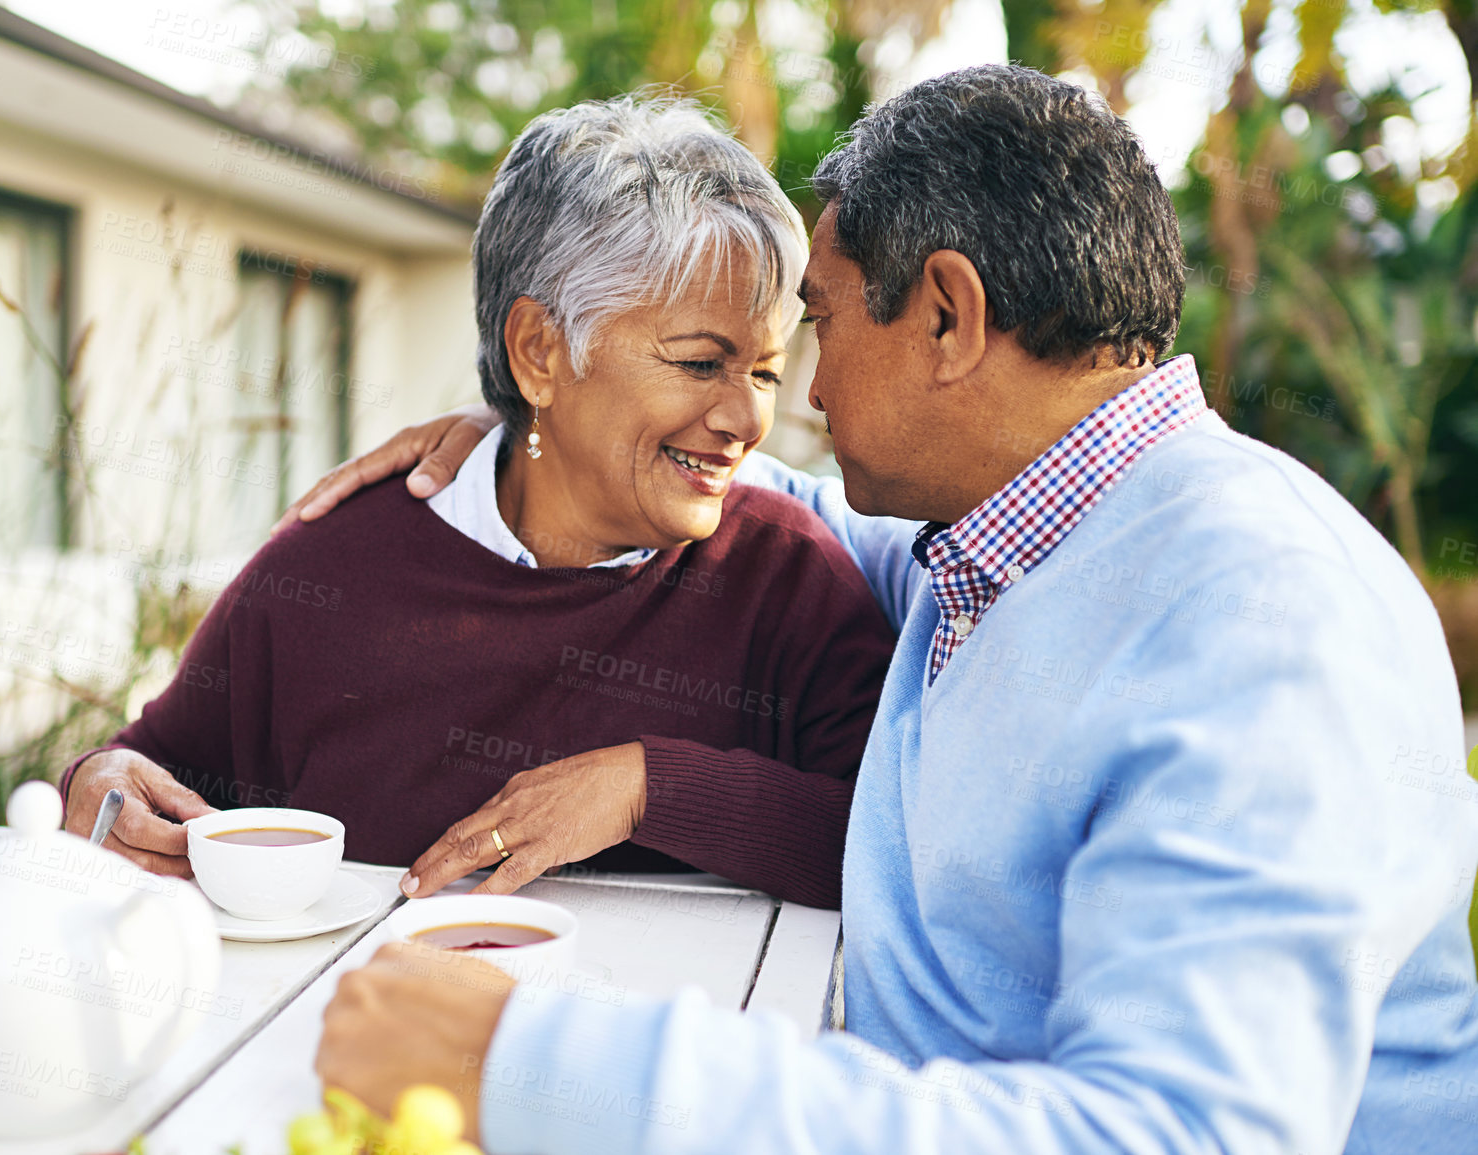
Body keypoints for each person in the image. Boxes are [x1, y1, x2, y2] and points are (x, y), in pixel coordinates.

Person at [309, 66, 1478, 1154]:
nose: (802, 394)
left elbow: (1173, 1136)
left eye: (818, 323)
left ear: (947, 317)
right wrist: (536, 422)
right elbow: (778, 494)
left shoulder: (1261, 627)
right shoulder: (1004, 542)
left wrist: (534, 1061)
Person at [57, 97, 896, 911]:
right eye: (700, 364)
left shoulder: (788, 577)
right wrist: (97, 780)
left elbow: (898, 849)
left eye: (764, 371)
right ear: (538, 352)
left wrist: (649, 787)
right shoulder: (329, 563)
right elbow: (152, 770)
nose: (748, 419)